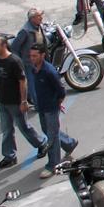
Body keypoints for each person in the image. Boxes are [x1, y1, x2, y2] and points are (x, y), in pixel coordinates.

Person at [0, 35, 45, 169]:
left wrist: (23, 101)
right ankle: (10, 156)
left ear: (4, 46)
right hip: (2, 102)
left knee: (24, 127)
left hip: (15, 102)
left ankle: (41, 144)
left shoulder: (14, 61)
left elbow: (22, 81)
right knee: (7, 130)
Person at [28, 43, 78, 177]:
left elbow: (61, 91)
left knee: (52, 137)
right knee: (48, 131)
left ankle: (53, 165)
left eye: (35, 56)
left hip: (51, 108)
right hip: (41, 107)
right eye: (31, 56)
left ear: (42, 55)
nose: (32, 58)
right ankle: (69, 143)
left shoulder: (49, 71)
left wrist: (57, 103)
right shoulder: (34, 69)